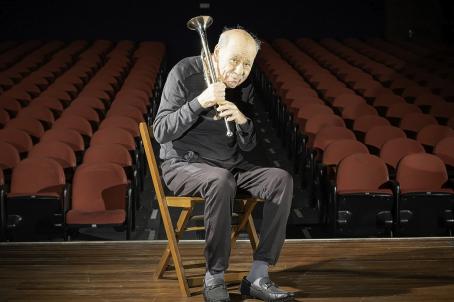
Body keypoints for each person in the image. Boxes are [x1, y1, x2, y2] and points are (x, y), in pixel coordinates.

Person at [153, 27, 295, 302]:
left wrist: (243, 121)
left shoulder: (243, 88)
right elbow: (161, 131)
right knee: (220, 180)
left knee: (281, 179)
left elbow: (249, 146)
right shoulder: (184, 72)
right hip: (183, 165)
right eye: (234, 60)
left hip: (230, 166)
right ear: (217, 52)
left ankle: (258, 275)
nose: (241, 70)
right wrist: (199, 102)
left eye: (247, 64)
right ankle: (214, 278)